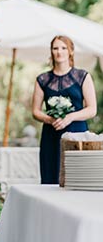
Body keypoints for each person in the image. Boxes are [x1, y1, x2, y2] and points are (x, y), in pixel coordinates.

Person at [31, 35, 97, 184]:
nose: (59, 52)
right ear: (51, 52)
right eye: (55, 48)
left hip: (77, 134)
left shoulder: (83, 76)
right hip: (51, 135)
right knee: (51, 178)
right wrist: (49, 119)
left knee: (77, 179)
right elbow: (35, 111)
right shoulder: (42, 79)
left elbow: (92, 109)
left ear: (71, 51)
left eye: (63, 48)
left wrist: (70, 117)